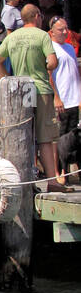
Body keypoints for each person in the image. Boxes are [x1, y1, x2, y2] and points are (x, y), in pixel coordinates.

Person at [0, 4, 63, 188]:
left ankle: (27, 179)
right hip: (40, 89)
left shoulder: (12, 37)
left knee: (24, 135)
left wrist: (7, 79)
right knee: (45, 138)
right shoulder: (42, 35)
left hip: (20, 90)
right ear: (37, 16)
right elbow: (53, 62)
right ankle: (52, 181)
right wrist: (46, 66)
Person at [49, 15, 80, 175]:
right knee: (61, 139)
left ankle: (72, 171)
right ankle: (60, 172)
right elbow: (49, 74)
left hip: (74, 99)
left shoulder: (68, 47)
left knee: (74, 137)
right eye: (61, 29)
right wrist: (56, 97)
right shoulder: (51, 48)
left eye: (66, 28)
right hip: (62, 101)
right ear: (52, 31)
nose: (65, 32)